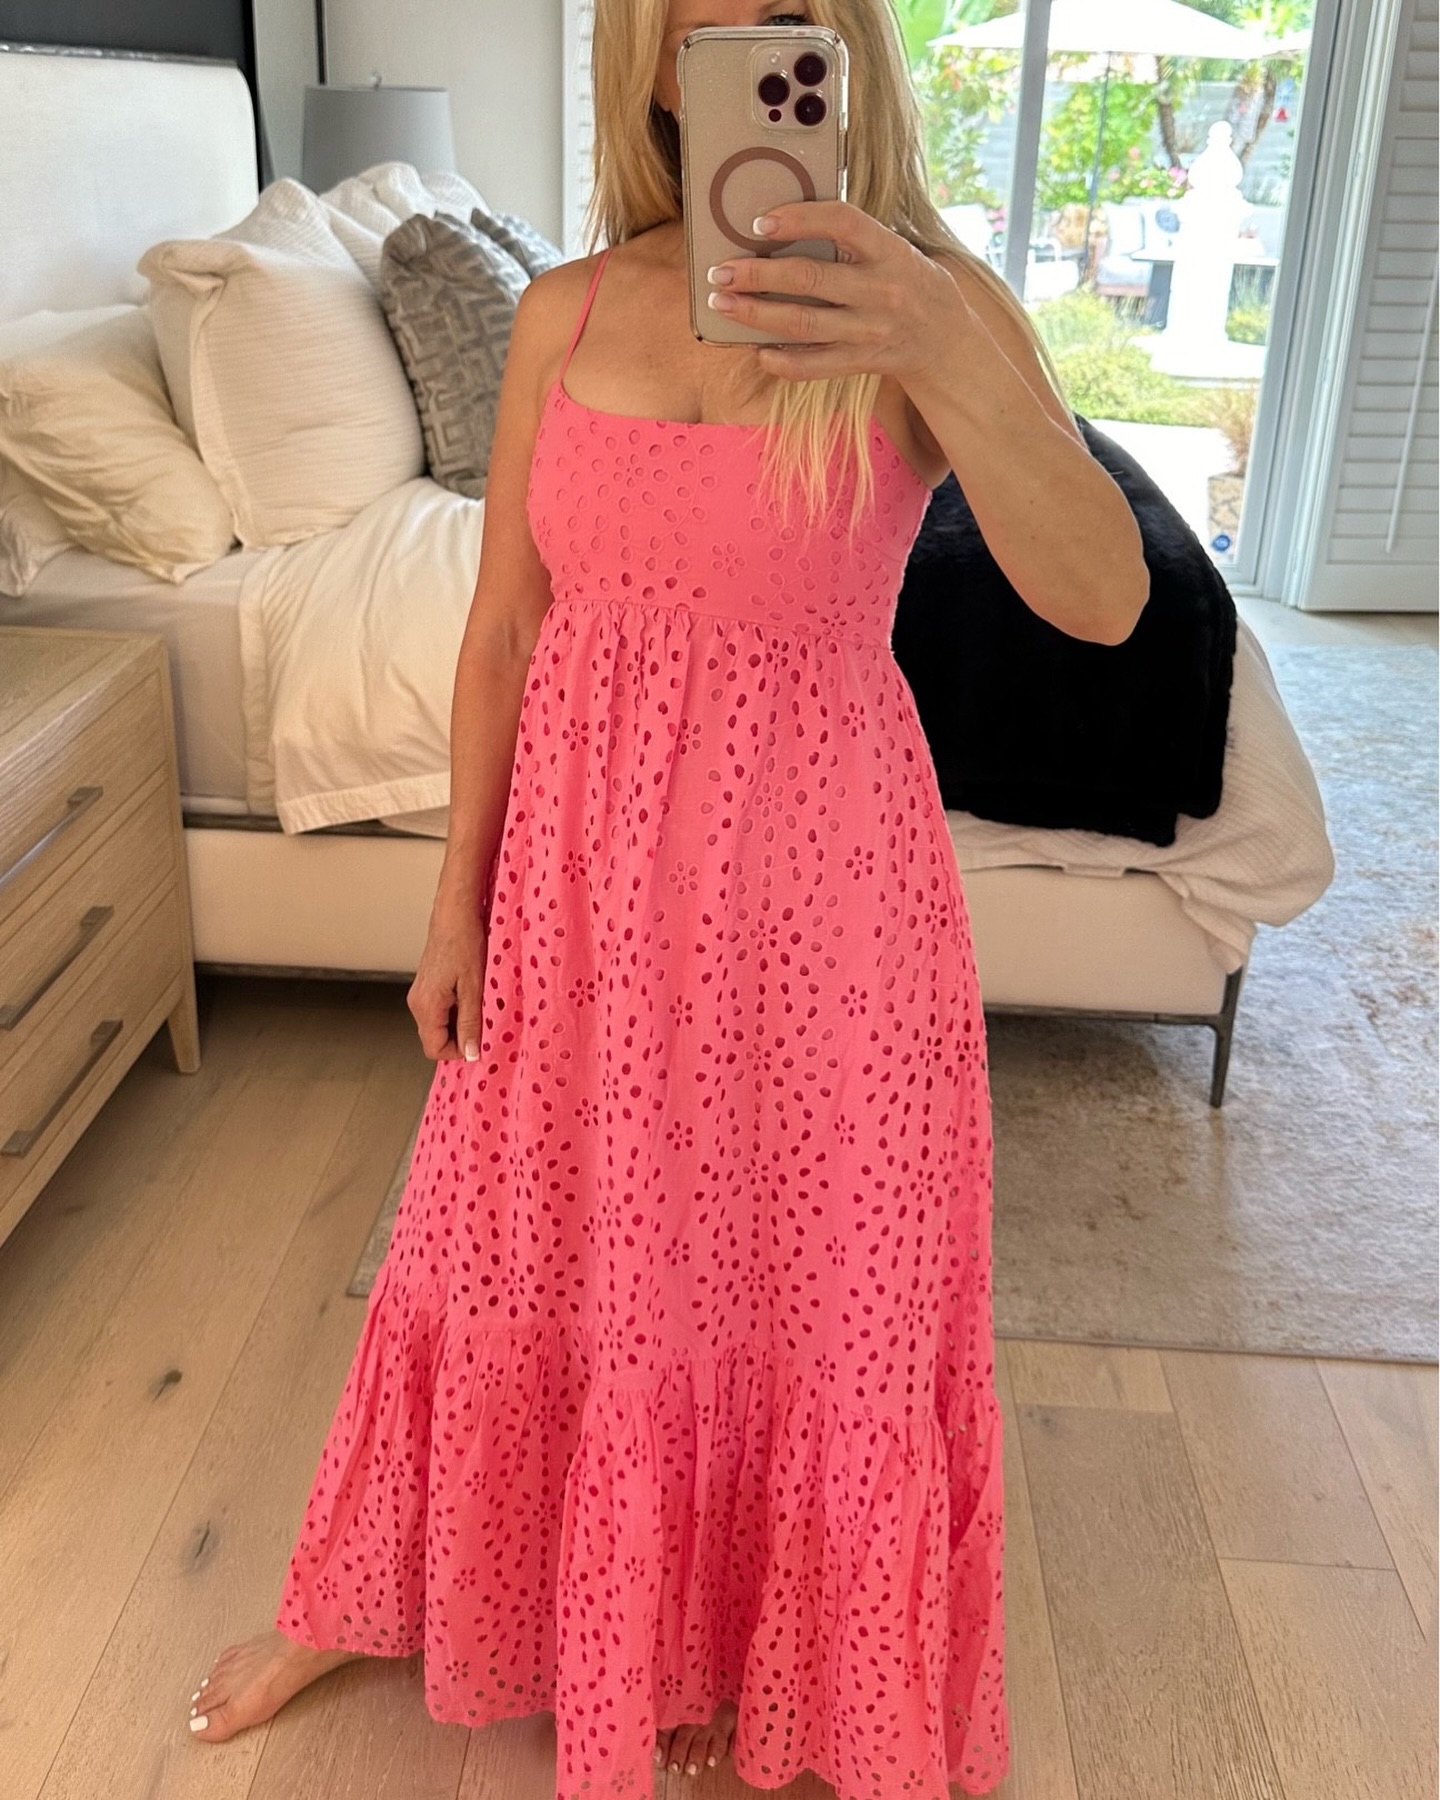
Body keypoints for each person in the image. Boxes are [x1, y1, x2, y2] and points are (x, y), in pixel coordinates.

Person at [183, 1, 1148, 1794]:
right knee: (515, 1235)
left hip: (826, 900)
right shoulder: (564, 310)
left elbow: (1103, 599)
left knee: (802, 1279)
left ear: (842, 50)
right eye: (691, 25)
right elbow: (504, 629)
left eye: (778, 21)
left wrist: (941, 336)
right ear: (649, 65)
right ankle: (393, 1595)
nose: (734, 49)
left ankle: (735, 1641)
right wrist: (455, 906)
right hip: (581, 896)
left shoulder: (925, 307)